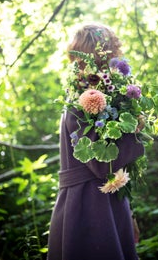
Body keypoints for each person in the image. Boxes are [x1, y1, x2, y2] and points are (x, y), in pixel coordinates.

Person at [47, 23, 144, 260]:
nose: (114, 59)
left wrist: (128, 214)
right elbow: (101, 165)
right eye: (112, 53)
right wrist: (137, 133)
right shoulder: (82, 100)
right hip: (86, 206)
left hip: (107, 202)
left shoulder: (106, 96)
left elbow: (116, 167)